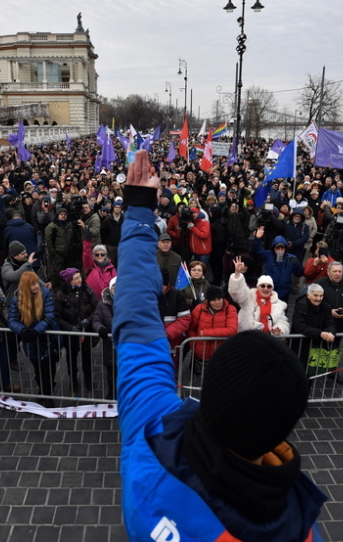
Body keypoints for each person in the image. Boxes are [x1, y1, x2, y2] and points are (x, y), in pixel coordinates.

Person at [115, 151, 326, 541]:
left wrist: (139, 210)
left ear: (206, 393)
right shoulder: (303, 531)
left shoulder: (151, 429)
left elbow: (135, 311)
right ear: (283, 430)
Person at [8, 270, 59, 403]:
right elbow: (12, 320)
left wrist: (36, 331)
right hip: (30, 341)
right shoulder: (17, 299)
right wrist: (23, 330)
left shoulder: (45, 293)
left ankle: (48, 395)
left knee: (49, 369)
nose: (36, 286)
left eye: (36, 283)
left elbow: (49, 316)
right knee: (38, 370)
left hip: (48, 339)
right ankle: (44, 390)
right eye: (32, 284)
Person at [55, 267, 98, 394]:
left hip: (86, 332)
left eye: (80, 277)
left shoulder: (88, 291)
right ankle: (73, 381)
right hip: (70, 334)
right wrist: (70, 328)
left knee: (87, 358)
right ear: (69, 281)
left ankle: (88, 380)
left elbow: (96, 309)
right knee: (71, 359)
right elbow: (57, 316)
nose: (80, 280)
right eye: (76, 278)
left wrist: (88, 320)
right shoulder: (61, 295)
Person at [228, 259, 290, 335]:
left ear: (272, 288)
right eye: (263, 286)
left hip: (266, 339)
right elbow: (237, 292)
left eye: (269, 286)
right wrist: (237, 273)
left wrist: (279, 329)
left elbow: (283, 322)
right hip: (246, 337)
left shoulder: (279, 305)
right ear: (258, 287)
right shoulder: (249, 297)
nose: (266, 289)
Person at [187, 285, 238, 374]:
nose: (217, 302)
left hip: (220, 354)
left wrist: (206, 333)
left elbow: (232, 329)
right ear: (208, 301)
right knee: (199, 378)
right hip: (201, 354)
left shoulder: (230, 309)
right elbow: (191, 329)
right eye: (213, 300)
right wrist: (194, 345)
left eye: (219, 299)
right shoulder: (199, 309)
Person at [290, 283, 337, 378]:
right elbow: (300, 326)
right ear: (308, 295)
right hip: (300, 345)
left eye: (321, 296)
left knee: (311, 373)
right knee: (297, 372)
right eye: (315, 295)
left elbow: (330, 323)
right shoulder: (300, 306)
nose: (318, 298)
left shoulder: (326, 307)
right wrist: (320, 334)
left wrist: (329, 332)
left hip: (316, 346)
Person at [252, 228, 304, 302]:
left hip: (283, 294)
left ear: (285, 248)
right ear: (274, 248)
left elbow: (299, 273)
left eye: (282, 248)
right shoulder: (268, 255)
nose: (280, 250)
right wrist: (257, 238)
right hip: (268, 291)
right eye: (278, 248)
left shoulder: (291, 259)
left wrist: (297, 264)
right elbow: (257, 250)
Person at [90, 276, 117, 399]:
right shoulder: (102, 304)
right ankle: (112, 394)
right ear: (110, 289)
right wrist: (100, 328)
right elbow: (96, 320)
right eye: (114, 287)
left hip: (125, 345)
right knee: (111, 373)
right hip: (109, 345)